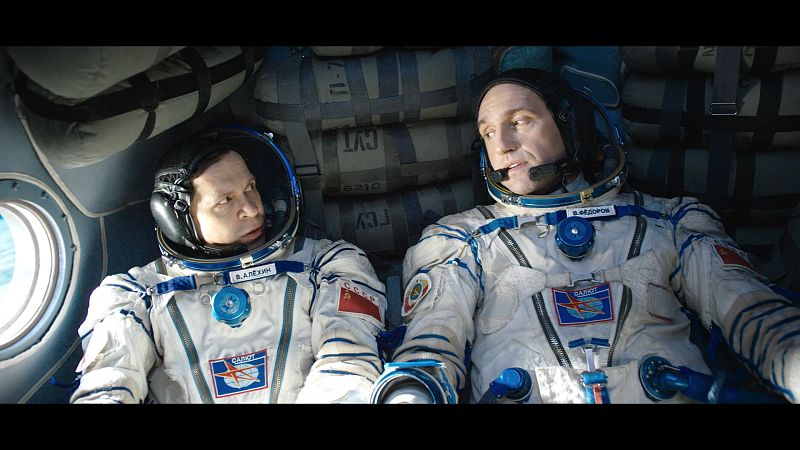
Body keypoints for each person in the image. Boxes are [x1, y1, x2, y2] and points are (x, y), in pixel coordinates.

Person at [372, 68, 800, 404]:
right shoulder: (462, 238)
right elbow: (432, 342)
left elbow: (752, 313)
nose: (501, 144)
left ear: (571, 126)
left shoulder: (671, 221)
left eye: (519, 121)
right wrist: (411, 394)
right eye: (487, 132)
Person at [70, 126, 387, 403]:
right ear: (178, 221)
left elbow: (348, 365)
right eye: (226, 200)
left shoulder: (328, 264)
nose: (252, 208)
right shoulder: (134, 295)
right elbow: (108, 383)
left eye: (250, 188)